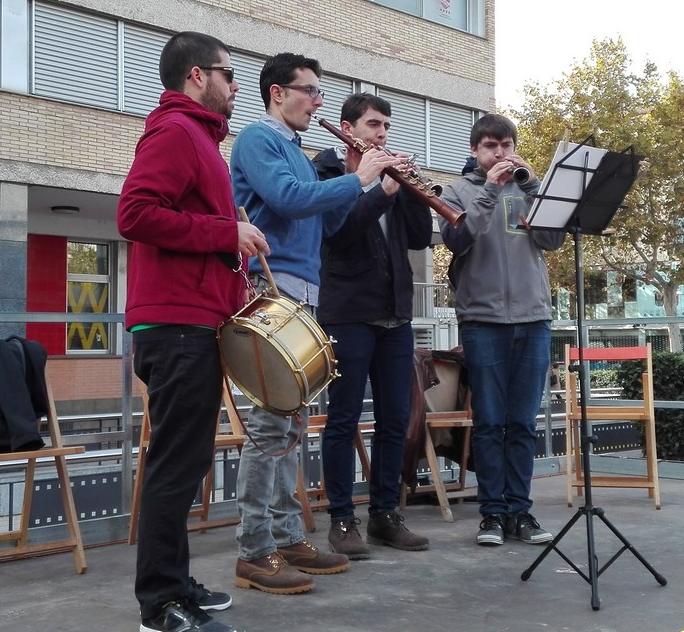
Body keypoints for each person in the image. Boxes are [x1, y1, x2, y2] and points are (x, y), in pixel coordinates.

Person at [230, 53, 403, 594]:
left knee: (291, 424)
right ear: (278, 92)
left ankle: (285, 536)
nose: (318, 101)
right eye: (310, 90)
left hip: (303, 293)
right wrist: (359, 179)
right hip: (269, 288)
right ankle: (253, 548)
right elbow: (287, 200)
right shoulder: (259, 139)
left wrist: (366, 184)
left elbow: (329, 225)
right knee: (269, 426)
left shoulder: (299, 153)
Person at [118, 31, 268, 632]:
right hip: (176, 326)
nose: (237, 86)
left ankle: (175, 583)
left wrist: (235, 270)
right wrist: (226, 232)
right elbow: (134, 213)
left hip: (193, 322)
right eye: (229, 74)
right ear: (197, 76)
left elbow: (193, 230)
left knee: (186, 462)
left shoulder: (199, 138)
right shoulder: (176, 131)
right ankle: (159, 604)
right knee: (176, 466)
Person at [312, 93, 433, 559]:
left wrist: (410, 189)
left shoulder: (389, 178)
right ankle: (342, 519)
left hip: (394, 314)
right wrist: (379, 192)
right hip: (347, 313)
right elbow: (337, 235)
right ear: (348, 129)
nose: (382, 133)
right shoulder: (327, 174)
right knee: (343, 419)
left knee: (395, 419)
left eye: (386, 126)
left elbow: (419, 239)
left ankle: (385, 514)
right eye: (373, 124)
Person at [438, 113, 565, 547]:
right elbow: (458, 240)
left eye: (506, 146)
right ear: (475, 150)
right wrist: (490, 190)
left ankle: (520, 511)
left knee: (523, 422)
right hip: (483, 320)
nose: (500, 154)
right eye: (491, 146)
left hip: (533, 318)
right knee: (490, 422)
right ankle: (492, 513)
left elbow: (553, 241)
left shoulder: (530, 189)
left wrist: (534, 188)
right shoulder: (457, 190)